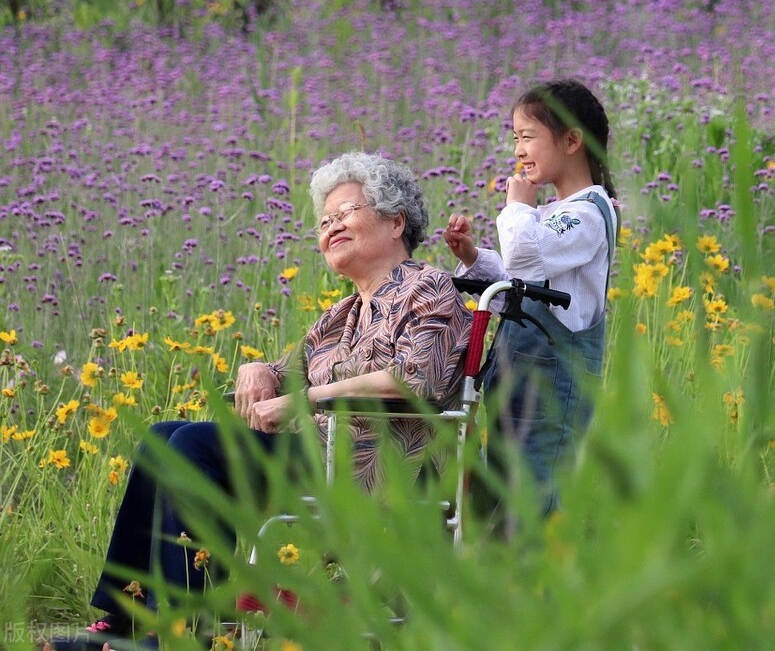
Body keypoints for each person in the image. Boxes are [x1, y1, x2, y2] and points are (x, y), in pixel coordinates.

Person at [47, 152, 472, 650]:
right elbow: (283, 370)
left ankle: (184, 629)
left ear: (395, 221)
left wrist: (306, 399)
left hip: (370, 466)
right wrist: (257, 370)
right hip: (316, 456)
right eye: (324, 221)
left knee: (195, 446)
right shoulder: (340, 314)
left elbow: (413, 380)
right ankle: (128, 622)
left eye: (345, 214)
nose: (331, 227)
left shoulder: (428, 289)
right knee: (164, 437)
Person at [443, 78, 617, 515]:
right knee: (503, 493)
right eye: (515, 138)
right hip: (517, 385)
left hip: (553, 389)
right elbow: (521, 290)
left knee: (538, 495)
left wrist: (517, 205)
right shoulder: (554, 216)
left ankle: (546, 579)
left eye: (528, 137)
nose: (518, 150)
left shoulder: (590, 215)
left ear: (572, 140)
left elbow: (524, 256)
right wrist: (474, 257)